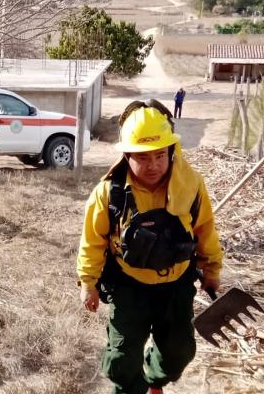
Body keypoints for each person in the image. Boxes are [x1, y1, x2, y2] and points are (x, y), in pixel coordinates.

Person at [76, 100, 223, 394]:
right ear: (127, 155)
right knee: (120, 363)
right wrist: (88, 283)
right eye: (143, 157)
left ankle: (154, 379)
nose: (153, 164)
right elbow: (92, 242)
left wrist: (212, 269)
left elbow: (205, 228)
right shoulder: (108, 193)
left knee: (179, 353)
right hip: (129, 287)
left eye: (159, 155)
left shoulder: (191, 184)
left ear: (171, 151)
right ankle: (132, 387)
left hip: (176, 284)